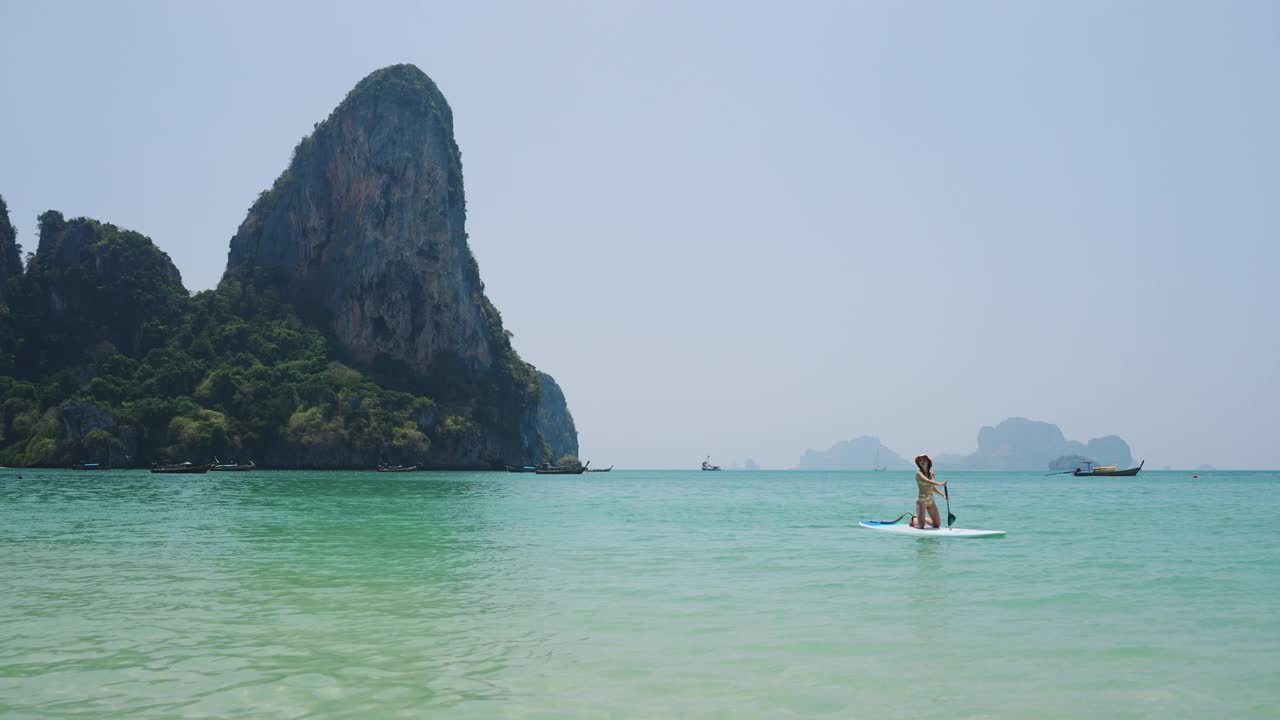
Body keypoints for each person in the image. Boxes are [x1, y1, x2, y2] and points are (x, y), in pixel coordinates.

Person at [910, 454, 947, 529]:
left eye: (924, 460)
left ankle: (918, 517)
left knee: (937, 525)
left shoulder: (932, 473)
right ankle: (914, 519)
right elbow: (928, 481)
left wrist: (943, 495)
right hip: (921, 501)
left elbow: (933, 488)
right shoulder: (918, 473)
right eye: (920, 460)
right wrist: (941, 484)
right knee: (921, 526)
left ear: (928, 462)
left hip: (931, 500)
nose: (922, 462)